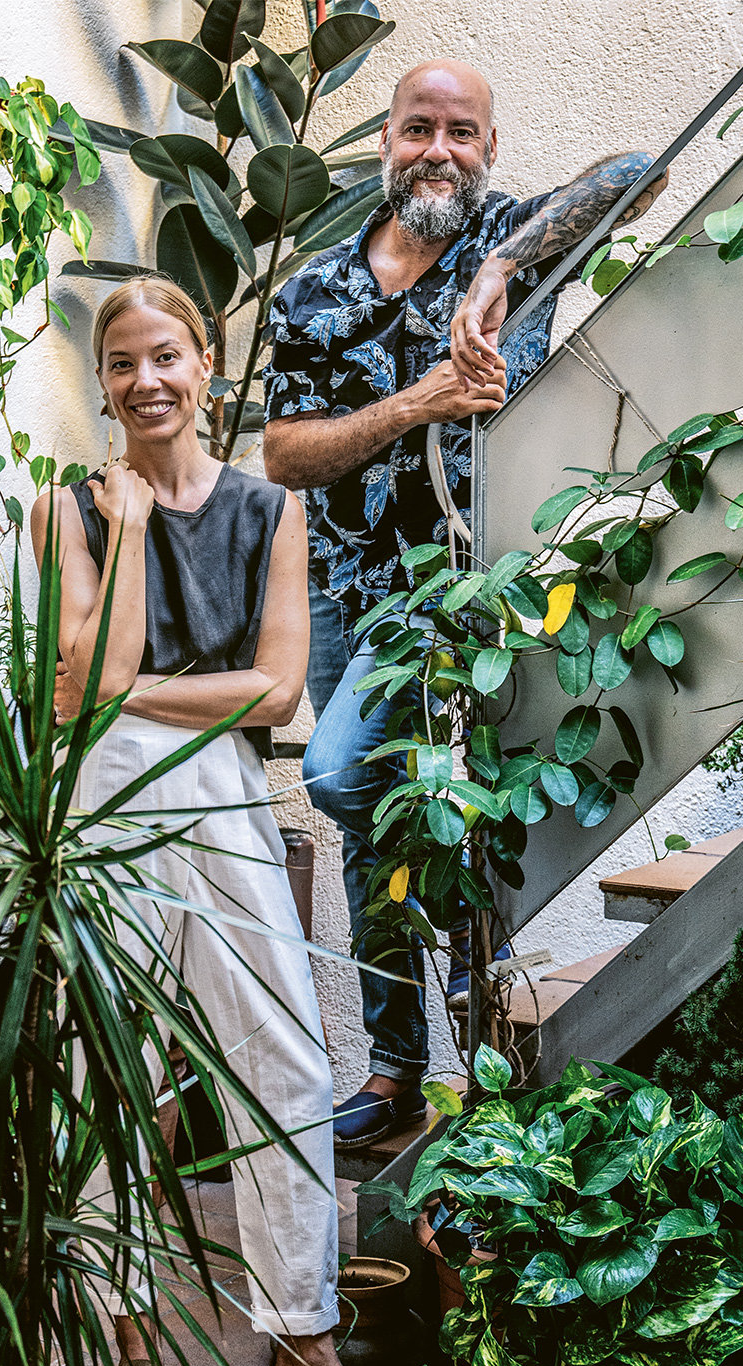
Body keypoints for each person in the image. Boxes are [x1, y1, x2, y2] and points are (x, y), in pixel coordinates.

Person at [262, 58, 668, 1149]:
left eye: (462, 133)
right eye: (417, 130)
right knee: (369, 821)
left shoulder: (526, 238)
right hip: (356, 595)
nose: (439, 150)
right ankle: (406, 1064)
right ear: (386, 143)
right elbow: (286, 453)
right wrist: (417, 403)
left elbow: (635, 172)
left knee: (359, 783)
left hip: (479, 603)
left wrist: (495, 265)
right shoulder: (314, 289)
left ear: (487, 147)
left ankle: (470, 1032)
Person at [31, 276, 404, 1366]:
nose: (148, 381)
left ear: (208, 367)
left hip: (226, 800)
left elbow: (279, 687)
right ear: (103, 382)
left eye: (168, 357)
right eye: (124, 363)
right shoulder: (65, 513)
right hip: (101, 811)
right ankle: (123, 1329)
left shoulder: (267, 513)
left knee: (284, 1066)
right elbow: (76, 693)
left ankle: (303, 1348)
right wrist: (133, 536)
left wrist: (123, 697)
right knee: (104, 1073)